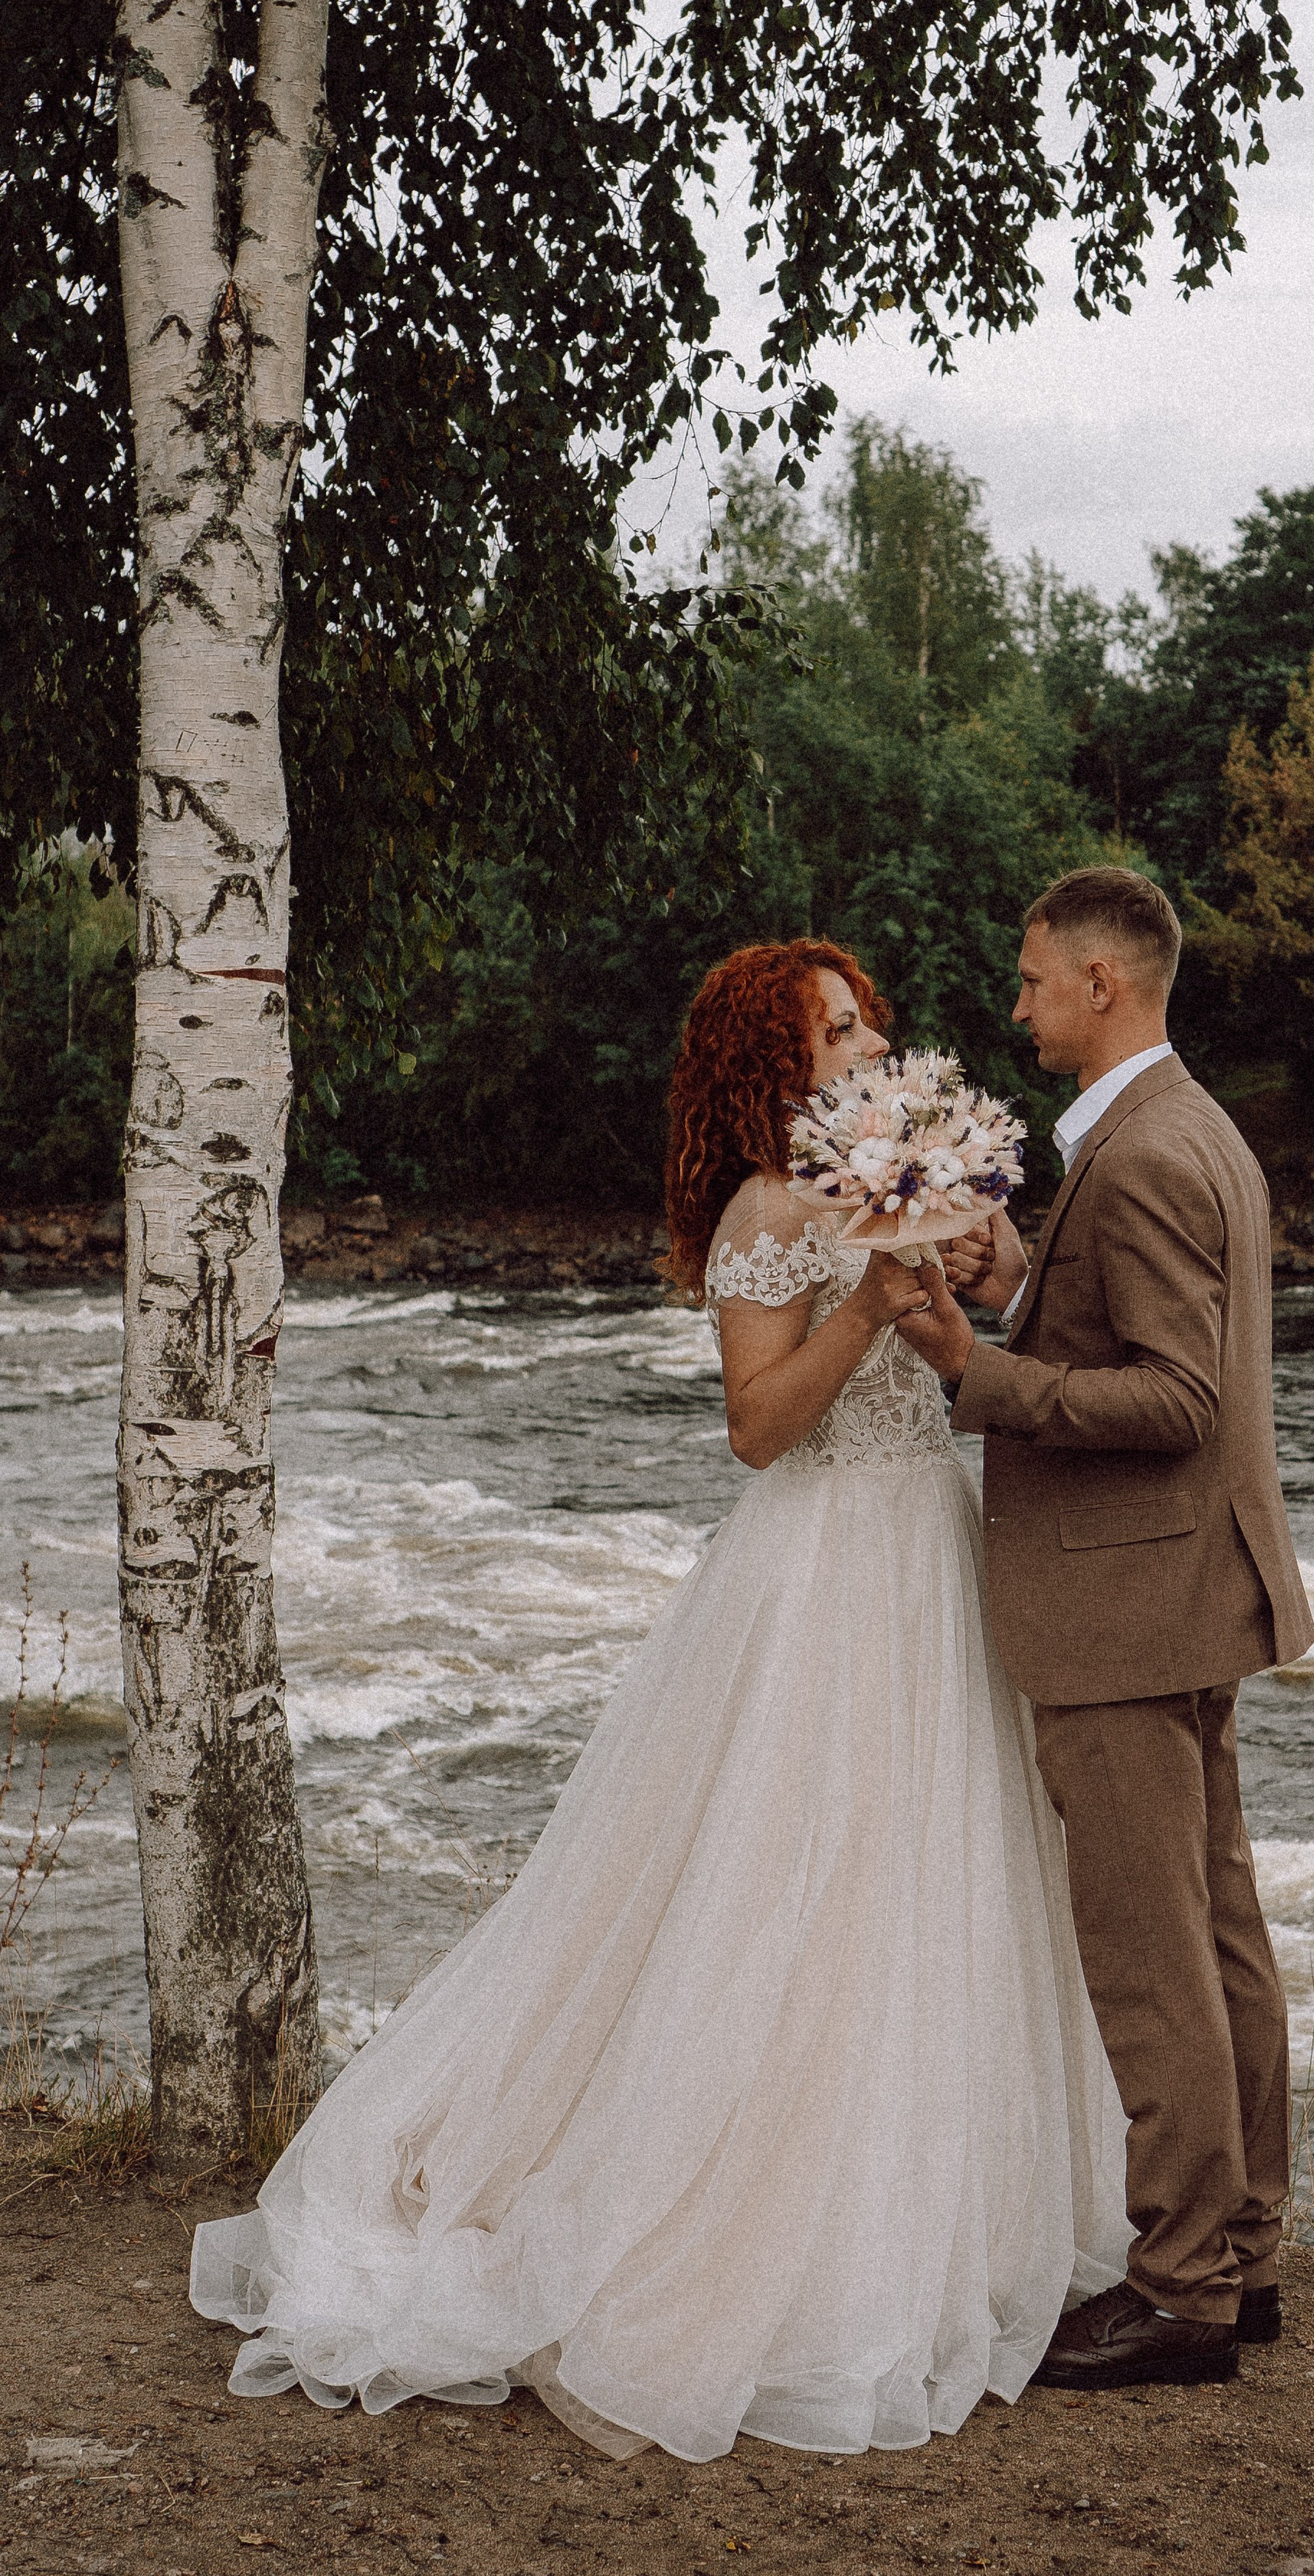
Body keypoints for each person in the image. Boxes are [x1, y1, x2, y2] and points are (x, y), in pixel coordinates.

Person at [191, 938, 1130, 2463]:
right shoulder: (767, 1213)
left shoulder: (915, 1174)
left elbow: (1007, 1321)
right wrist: (869, 1304)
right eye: (829, 1030)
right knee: (788, 1886)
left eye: (863, 1022)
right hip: (818, 1565)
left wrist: (979, 1263)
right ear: (769, 1065)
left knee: (939, 1878)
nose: (860, 1044)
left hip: (935, 1559)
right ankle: (734, 2218)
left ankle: (926, 2198)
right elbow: (758, 1427)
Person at [895, 868, 1314, 2392]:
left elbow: (1175, 1398)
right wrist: (1019, 1285)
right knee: (1217, 1938)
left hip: (1125, 1601)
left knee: (1152, 1957)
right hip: (1186, 1585)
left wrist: (972, 1371)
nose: (1013, 1007)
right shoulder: (1182, 1126)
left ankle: (1182, 2289)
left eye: (1027, 982)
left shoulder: (1138, 1157)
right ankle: (1243, 2255)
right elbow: (1141, 1333)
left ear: (1100, 984)